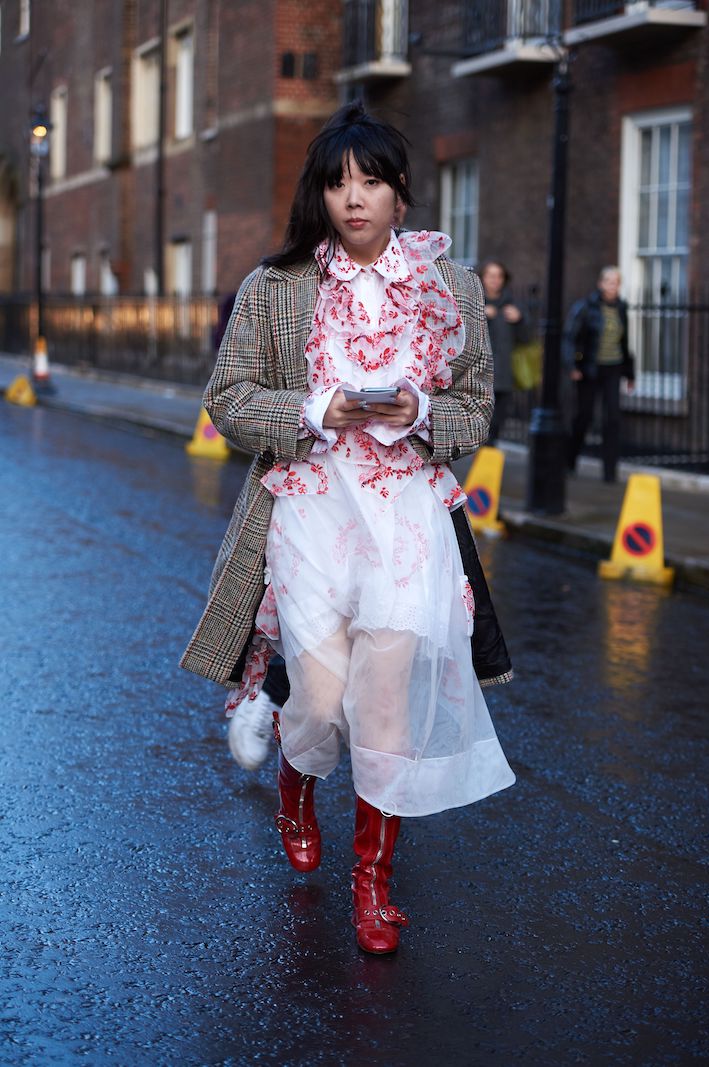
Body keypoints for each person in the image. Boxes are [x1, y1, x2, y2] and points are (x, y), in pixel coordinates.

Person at [181, 102, 516, 954]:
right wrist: (318, 406)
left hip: (407, 515)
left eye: (371, 181)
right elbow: (228, 399)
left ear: (401, 194)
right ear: (319, 196)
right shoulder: (277, 288)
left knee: (387, 708)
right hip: (311, 508)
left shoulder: (453, 288)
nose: (354, 198)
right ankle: (296, 785)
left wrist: (422, 410)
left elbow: (479, 408)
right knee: (323, 704)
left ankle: (373, 884)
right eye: (338, 183)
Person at [564, 266, 635, 483]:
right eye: (609, 282)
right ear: (601, 284)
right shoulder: (586, 307)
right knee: (584, 416)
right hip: (589, 369)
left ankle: (610, 472)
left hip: (613, 369)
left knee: (612, 418)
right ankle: (570, 460)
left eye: (616, 282)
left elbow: (624, 342)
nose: (613, 286)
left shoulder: (621, 308)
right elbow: (569, 337)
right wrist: (571, 366)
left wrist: (630, 374)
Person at [480, 259, 528, 445]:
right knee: (482, 421)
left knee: (499, 419)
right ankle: (482, 457)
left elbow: (526, 339)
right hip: (481, 373)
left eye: (499, 276)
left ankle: (488, 458)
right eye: (491, 275)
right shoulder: (475, 301)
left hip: (505, 371)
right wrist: (481, 314)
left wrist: (520, 319)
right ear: (483, 277)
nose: (495, 280)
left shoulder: (512, 304)